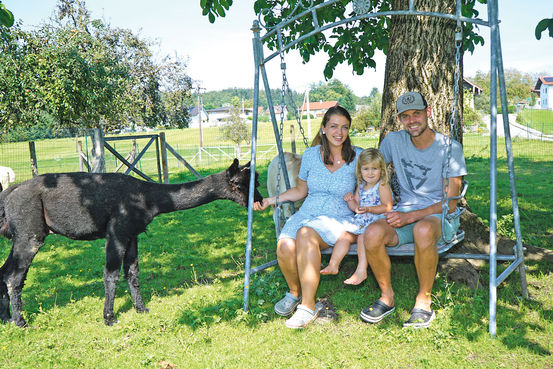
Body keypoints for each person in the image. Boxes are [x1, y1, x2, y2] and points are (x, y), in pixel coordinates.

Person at [359, 91, 467, 328]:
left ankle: (423, 301)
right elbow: (368, 164)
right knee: (373, 233)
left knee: (422, 230)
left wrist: (410, 216)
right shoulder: (393, 142)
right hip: (405, 211)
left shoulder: (450, 148)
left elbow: (450, 203)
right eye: (405, 116)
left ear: (428, 112)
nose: (412, 120)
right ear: (399, 119)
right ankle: (387, 297)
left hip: (439, 217)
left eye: (416, 113)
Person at [254, 105, 362, 329]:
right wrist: (270, 200)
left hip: (338, 217)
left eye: (344, 127)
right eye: (333, 126)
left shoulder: (358, 156)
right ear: (323, 128)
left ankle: (308, 305)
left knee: (306, 234)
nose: (339, 132)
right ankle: (294, 292)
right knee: (284, 247)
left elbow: (366, 192)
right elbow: (300, 191)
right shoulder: (311, 155)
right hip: (308, 212)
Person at [320, 148, 393, 285]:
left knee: (361, 238)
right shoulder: (360, 186)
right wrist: (350, 201)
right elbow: (356, 208)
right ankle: (333, 264)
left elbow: (387, 206)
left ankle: (361, 270)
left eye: (374, 169)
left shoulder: (382, 185)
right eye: (366, 169)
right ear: (360, 171)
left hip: (376, 222)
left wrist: (369, 209)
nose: (370, 173)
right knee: (344, 235)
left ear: (381, 170)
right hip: (360, 221)